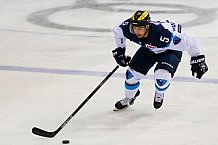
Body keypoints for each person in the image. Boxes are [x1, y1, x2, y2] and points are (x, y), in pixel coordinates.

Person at [112, 10, 208, 110]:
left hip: (170, 50)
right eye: (134, 28)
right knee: (131, 75)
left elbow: (190, 41)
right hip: (149, 48)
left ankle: (159, 92)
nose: (136, 32)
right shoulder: (128, 28)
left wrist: (198, 58)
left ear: (147, 26)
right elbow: (118, 30)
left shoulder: (163, 35)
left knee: (162, 79)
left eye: (140, 28)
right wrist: (120, 50)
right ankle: (129, 99)